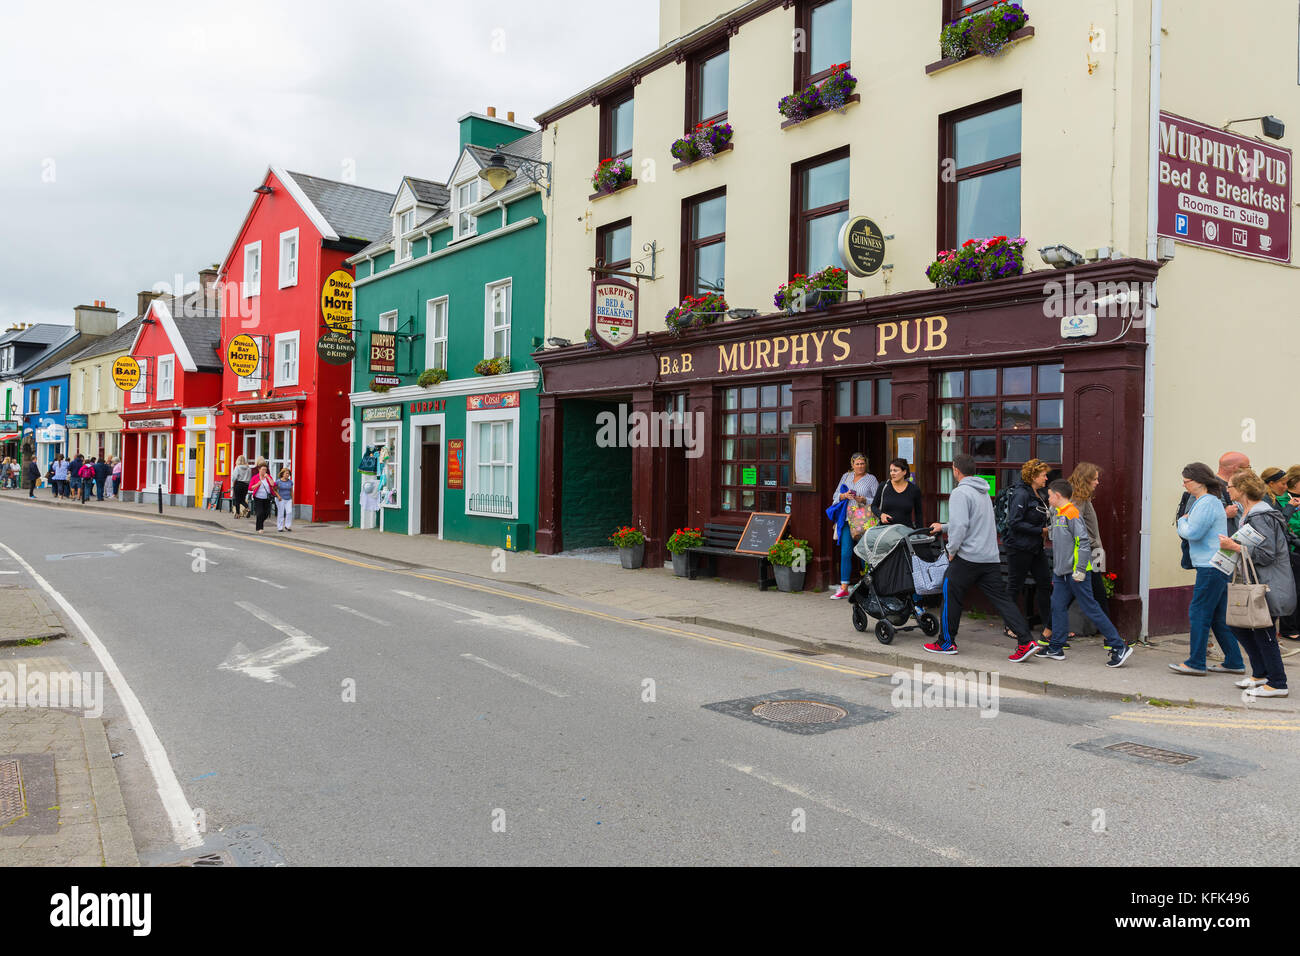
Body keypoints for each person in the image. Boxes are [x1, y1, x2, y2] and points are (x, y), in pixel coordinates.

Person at [925, 454, 1036, 661]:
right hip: (989, 557)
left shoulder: (960, 493)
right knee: (1003, 601)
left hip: (967, 557)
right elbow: (972, 522)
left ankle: (946, 642)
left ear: (956, 470)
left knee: (950, 592)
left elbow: (960, 527)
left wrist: (951, 550)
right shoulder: (983, 491)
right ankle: (1026, 641)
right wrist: (944, 526)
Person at [1037, 480, 1132, 667]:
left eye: (1049, 495)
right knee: (1057, 606)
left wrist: (1080, 569)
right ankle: (1056, 646)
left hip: (1076, 572)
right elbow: (1058, 538)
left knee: (1091, 608)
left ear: (1057, 496)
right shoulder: (1058, 513)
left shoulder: (1072, 513)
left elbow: (1083, 542)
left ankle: (1119, 646)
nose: (1048, 498)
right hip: (1062, 571)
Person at [1215, 469, 1292, 697]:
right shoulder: (1250, 512)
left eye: (1230, 486)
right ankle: (1260, 674)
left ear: (1241, 490)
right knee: (1238, 625)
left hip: (1268, 583)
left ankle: (1278, 683)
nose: (1227, 490)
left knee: (1263, 629)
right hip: (1258, 580)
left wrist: (1235, 547)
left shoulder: (1261, 516)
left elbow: (1268, 554)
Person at [1170, 462, 1247, 676]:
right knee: (1217, 617)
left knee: (1199, 612)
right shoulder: (1209, 501)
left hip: (1209, 565)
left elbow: (1193, 533)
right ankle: (1234, 661)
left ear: (1198, 481)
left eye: (1186, 481)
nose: (1184, 484)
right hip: (1218, 564)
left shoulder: (1205, 502)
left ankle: (1196, 662)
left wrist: (1182, 522)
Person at [1004, 459, 1053, 644]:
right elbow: (1014, 523)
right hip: (1019, 547)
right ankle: (1010, 625)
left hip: (1035, 548)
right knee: (1014, 586)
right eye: (1043, 475)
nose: (1046, 478)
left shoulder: (1037, 493)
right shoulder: (1021, 494)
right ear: (1033, 476)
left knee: (1045, 584)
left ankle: (1049, 626)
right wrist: (1041, 531)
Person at [827, 452, 878, 600]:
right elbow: (835, 495)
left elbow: (877, 500)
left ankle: (870, 587)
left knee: (864, 554)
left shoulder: (871, 479)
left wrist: (864, 499)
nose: (860, 466)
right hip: (847, 520)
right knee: (845, 553)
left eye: (862, 463)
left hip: (863, 521)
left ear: (865, 464)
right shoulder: (846, 477)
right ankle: (844, 588)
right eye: (857, 464)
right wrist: (843, 496)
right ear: (852, 464)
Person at [871, 458, 924, 528]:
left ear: (904, 472)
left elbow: (918, 514)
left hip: (905, 532)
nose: (892, 473)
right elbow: (873, 506)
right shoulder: (883, 486)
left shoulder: (914, 490)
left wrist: (920, 533)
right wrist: (881, 515)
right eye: (891, 471)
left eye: (895, 470)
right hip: (885, 531)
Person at [249, 464, 275, 534]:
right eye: (263, 469)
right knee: (260, 513)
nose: (264, 471)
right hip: (258, 498)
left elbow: (273, 484)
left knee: (266, 513)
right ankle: (260, 528)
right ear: (259, 470)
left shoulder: (268, 477)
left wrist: (268, 478)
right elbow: (250, 488)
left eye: (265, 470)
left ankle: (259, 522)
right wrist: (257, 484)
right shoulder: (255, 477)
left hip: (267, 498)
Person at [275, 467, 294, 532]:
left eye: (288, 474)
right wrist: (278, 496)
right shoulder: (278, 481)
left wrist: (293, 500)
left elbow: (291, 491)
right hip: (281, 499)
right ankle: (280, 527)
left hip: (288, 499)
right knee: (281, 513)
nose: (287, 475)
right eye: (286, 473)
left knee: (289, 512)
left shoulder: (290, 482)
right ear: (282, 474)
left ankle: (287, 526)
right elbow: (274, 489)